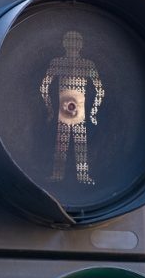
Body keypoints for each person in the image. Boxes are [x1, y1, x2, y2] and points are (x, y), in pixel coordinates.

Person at [39, 30, 105, 185]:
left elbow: (100, 90)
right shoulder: (58, 62)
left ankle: (77, 175)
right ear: (64, 43)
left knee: (78, 144)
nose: (73, 45)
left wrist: (93, 112)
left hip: (78, 110)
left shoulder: (87, 64)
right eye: (70, 41)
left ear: (80, 45)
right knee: (63, 144)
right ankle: (59, 174)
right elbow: (44, 86)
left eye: (76, 41)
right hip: (65, 110)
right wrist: (50, 109)